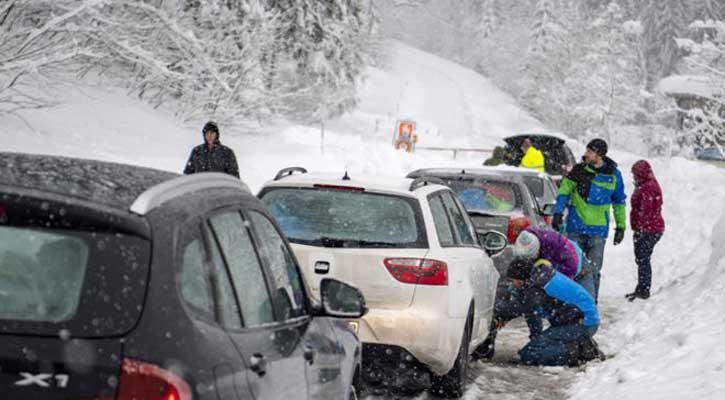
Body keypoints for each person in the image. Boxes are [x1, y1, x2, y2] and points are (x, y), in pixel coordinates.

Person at [472, 228, 594, 359]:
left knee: (530, 354)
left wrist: (553, 289)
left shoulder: (558, 252)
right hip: (571, 313)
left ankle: (578, 348)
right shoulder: (527, 243)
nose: (513, 284)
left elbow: (527, 306)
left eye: (515, 281)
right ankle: (564, 341)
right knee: (538, 337)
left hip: (580, 287)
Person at [552, 138, 626, 301]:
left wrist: (621, 227)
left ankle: (590, 305)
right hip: (575, 228)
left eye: (589, 152)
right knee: (572, 267)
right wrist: (558, 213)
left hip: (598, 232)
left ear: (599, 154)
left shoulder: (614, 175)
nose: (585, 154)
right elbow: (564, 191)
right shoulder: (578, 170)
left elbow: (619, 201)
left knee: (593, 271)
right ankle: (570, 304)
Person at [508, 258, 602, 366]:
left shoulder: (537, 287)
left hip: (584, 323)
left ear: (521, 279)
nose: (512, 284)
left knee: (530, 354)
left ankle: (578, 352)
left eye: (513, 280)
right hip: (576, 320)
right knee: (534, 347)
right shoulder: (541, 277)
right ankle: (580, 344)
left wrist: (536, 340)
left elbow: (532, 312)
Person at [626, 160, 664, 301]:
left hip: (649, 229)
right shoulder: (646, 184)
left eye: (635, 174)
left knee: (643, 258)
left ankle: (644, 289)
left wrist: (641, 229)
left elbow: (646, 211)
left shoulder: (648, 187)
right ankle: (641, 287)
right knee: (642, 258)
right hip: (648, 228)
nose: (633, 177)